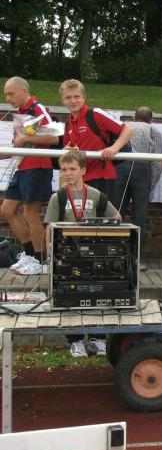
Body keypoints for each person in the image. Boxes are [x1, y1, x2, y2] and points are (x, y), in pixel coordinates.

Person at [43, 150, 121, 357]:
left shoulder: (96, 195)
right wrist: (49, 255)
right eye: (64, 170)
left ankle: (97, 338)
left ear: (83, 170)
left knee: (97, 296)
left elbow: (117, 217)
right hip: (67, 257)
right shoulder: (58, 197)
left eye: (72, 169)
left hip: (94, 257)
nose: (68, 173)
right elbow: (50, 227)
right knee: (70, 298)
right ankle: (76, 340)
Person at [1, 76, 59, 275]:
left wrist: (25, 137)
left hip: (37, 165)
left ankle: (41, 261)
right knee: (7, 210)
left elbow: (54, 137)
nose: (8, 98)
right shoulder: (20, 113)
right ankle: (29, 254)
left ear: (24, 90)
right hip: (21, 166)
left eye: (11, 93)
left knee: (30, 213)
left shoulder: (37, 108)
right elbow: (18, 146)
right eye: (6, 94)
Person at [59, 79, 133, 198]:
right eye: (68, 97)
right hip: (80, 179)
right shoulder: (69, 122)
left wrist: (114, 148)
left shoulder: (95, 113)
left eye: (76, 96)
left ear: (84, 97)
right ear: (62, 100)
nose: (73, 101)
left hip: (102, 177)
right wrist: (67, 151)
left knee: (103, 211)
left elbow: (127, 129)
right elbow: (69, 149)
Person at [114, 106, 162, 270]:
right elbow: (157, 162)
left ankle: (114, 256)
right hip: (142, 168)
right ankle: (136, 260)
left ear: (134, 118)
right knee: (139, 216)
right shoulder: (154, 131)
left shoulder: (124, 127)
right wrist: (151, 185)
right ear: (151, 120)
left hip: (120, 166)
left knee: (116, 213)